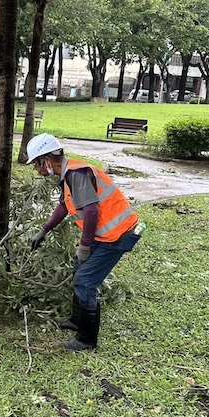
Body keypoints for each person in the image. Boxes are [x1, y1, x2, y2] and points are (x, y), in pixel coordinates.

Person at [27, 134, 142, 351]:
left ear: (46, 160)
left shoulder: (76, 174)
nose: (36, 169)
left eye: (36, 163)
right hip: (105, 234)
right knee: (78, 268)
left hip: (117, 235)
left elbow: (91, 211)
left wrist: (85, 246)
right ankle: (77, 319)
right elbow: (64, 206)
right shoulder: (68, 175)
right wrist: (44, 230)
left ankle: (87, 338)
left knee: (86, 281)